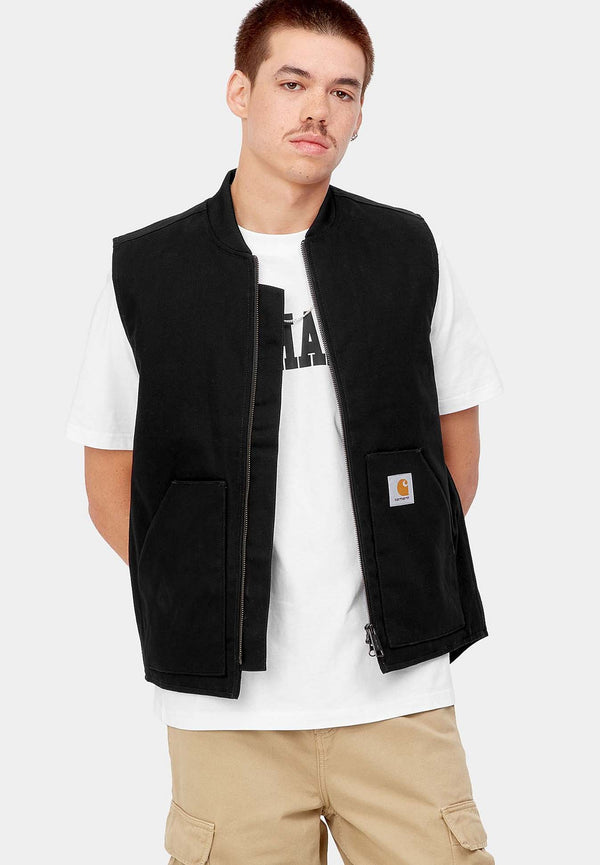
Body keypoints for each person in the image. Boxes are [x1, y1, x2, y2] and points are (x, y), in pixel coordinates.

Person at [65, 1, 503, 862]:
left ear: (361, 114)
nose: (318, 111)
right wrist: (205, 596)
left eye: (343, 91)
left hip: (397, 700)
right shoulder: (148, 272)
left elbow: (457, 459)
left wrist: (397, 585)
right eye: (293, 83)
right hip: (225, 717)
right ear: (240, 92)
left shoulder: (407, 251)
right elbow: (109, 484)